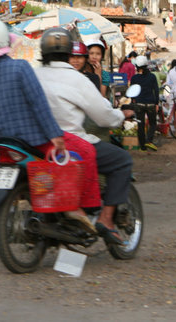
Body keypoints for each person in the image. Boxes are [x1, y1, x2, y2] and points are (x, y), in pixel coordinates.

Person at [0, 19, 99, 233]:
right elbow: (38, 103)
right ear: (5, 43)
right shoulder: (20, 68)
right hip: (34, 141)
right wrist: (55, 136)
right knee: (78, 154)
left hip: (1, 144)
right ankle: (75, 208)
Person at [34, 27, 135, 244]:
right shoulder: (77, 80)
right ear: (70, 53)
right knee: (122, 160)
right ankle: (106, 220)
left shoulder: (34, 73)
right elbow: (103, 116)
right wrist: (121, 115)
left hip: (36, 142)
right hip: (70, 141)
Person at [130, 55, 159, 151]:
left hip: (139, 104)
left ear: (137, 67)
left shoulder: (134, 78)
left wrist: (133, 100)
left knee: (141, 125)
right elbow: (156, 90)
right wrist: (157, 103)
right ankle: (149, 140)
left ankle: (142, 147)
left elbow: (132, 92)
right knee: (153, 123)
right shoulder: (152, 77)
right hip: (151, 104)